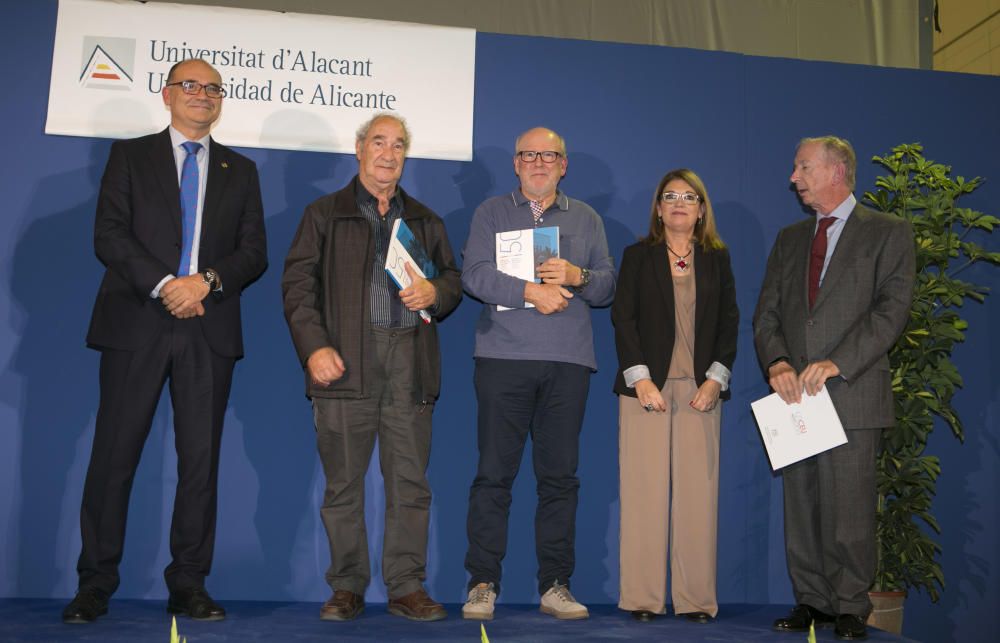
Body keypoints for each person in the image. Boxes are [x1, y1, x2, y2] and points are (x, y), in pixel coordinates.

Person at [63, 58, 268, 624]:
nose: (203, 95)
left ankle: (189, 584)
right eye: (191, 86)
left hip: (210, 326)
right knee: (114, 458)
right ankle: (95, 584)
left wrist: (206, 282)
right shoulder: (129, 156)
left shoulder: (241, 170)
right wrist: (165, 285)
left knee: (200, 465)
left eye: (213, 89)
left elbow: (254, 253)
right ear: (167, 94)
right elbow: (109, 234)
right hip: (136, 323)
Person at [282, 112, 461, 623]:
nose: (389, 153)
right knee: (343, 484)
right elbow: (297, 289)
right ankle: (347, 586)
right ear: (359, 150)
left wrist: (437, 292)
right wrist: (314, 347)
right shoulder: (324, 214)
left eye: (398, 144)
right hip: (344, 361)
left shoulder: (426, 220)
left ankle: (407, 586)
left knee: (410, 482)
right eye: (379, 143)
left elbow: (451, 280)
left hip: (410, 359)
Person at [753, 136, 915, 641]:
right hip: (795, 399)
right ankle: (813, 600)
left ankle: (850, 605)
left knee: (850, 507)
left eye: (803, 166)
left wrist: (838, 362)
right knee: (801, 508)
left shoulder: (888, 233)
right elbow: (768, 314)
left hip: (853, 392)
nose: (793, 177)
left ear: (836, 170)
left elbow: (891, 312)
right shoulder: (789, 238)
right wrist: (777, 361)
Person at [460, 127, 615, 621]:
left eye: (549, 155)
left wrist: (578, 277)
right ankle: (483, 582)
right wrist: (532, 291)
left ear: (563, 165)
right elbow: (475, 275)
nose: (539, 162)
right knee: (492, 477)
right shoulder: (490, 212)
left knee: (559, 479)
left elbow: (608, 284)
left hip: (567, 363)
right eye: (529, 155)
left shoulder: (587, 218)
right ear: (515, 163)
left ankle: (555, 585)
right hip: (503, 360)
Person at [611, 169, 738, 624]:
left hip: (700, 392)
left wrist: (715, 380)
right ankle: (644, 599)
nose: (680, 203)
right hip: (646, 390)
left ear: (701, 209)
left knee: (698, 499)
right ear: (659, 208)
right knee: (644, 494)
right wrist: (641, 380)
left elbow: (729, 323)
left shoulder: (717, 260)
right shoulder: (637, 256)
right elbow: (623, 320)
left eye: (690, 196)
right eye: (671, 196)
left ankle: (696, 601)